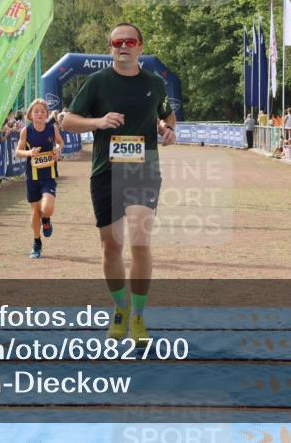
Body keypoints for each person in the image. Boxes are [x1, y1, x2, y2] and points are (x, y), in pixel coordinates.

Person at [62, 23, 176, 345]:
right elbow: (68, 120)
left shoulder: (154, 83)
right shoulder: (97, 82)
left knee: (140, 242)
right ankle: (120, 309)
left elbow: (167, 117)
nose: (122, 46)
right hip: (106, 173)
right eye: (116, 42)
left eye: (129, 41)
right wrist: (97, 121)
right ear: (110, 47)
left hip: (144, 171)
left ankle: (138, 316)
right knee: (111, 246)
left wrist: (169, 132)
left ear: (140, 46)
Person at [15, 98, 64, 258]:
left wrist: (58, 150)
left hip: (48, 175)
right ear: (30, 115)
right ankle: (37, 243)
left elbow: (60, 143)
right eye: (36, 111)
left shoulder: (52, 128)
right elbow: (18, 152)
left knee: (47, 208)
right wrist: (30, 153)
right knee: (36, 211)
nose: (40, 114)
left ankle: (47, 219)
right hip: (32, 177)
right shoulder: (26, 132)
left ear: (47, 114)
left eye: (43, 111)